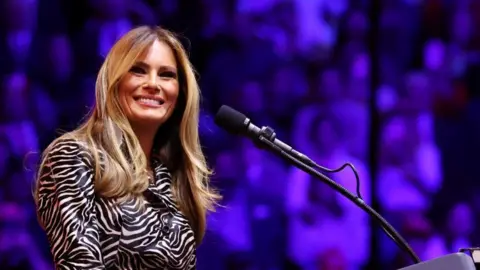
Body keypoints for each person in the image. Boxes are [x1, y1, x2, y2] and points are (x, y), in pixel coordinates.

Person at [34, 26, 220, 269]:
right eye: (138, 70)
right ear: (114, 81)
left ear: (181, 93)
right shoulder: (74, 155)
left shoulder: (169, 174)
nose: (153, 84)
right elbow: (79, 262)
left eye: (166, 75)